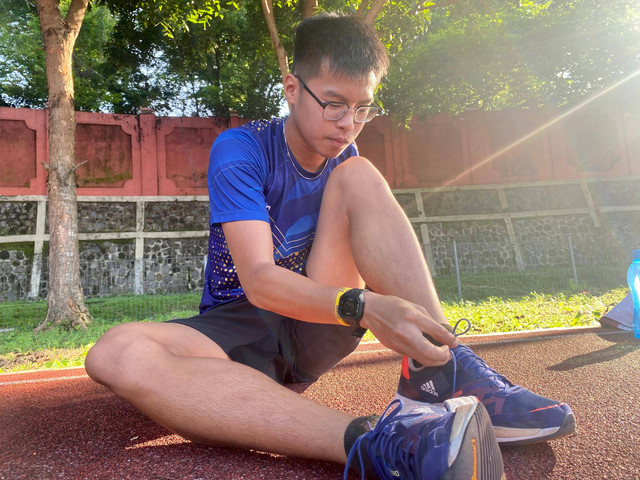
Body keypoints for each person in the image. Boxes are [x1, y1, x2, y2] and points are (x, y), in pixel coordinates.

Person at [85, 13, 572, 479]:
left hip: (316, 324)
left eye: (363, 109)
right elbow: (257, 280)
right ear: (293, 89)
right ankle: (386, 444)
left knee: (358, 174)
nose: (348, 123)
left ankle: (443, 366)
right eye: (335, 104)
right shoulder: (242, 150)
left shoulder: (347, 157)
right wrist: (363, 305)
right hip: (240, 327)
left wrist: (363, 307)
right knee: (115, 352)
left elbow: (348, 234)